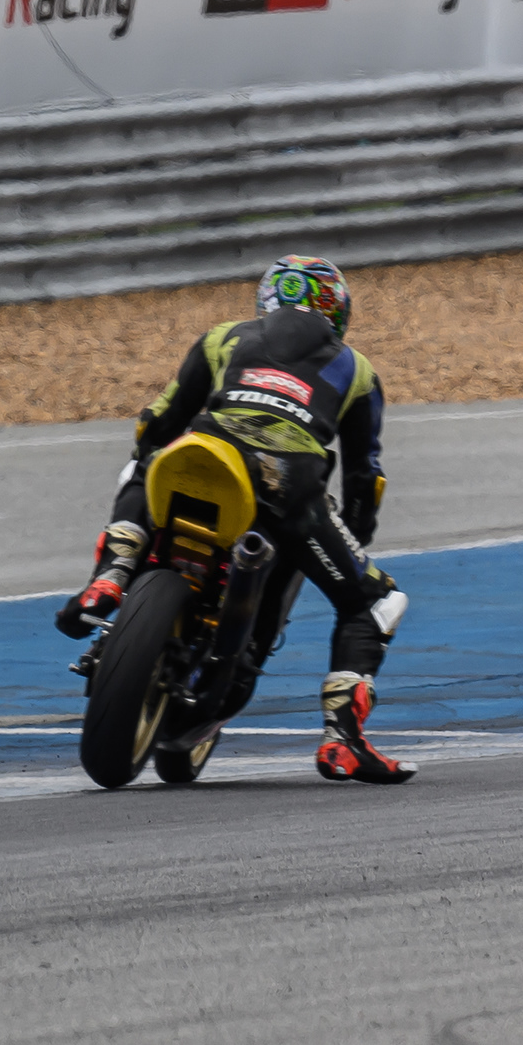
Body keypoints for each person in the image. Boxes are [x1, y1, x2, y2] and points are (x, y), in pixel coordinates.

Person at [54, 253, 415, 783]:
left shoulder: (223, 336)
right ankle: (343, 739)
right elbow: (366, 477)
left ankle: (111, 572)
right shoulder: (357, 370)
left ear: (267, 297)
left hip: (206, 452)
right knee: (377, 601)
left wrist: (151, 457)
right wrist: (353, 535)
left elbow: (157, 419)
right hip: (287, 483)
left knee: (142, 463)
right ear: (338, 313)